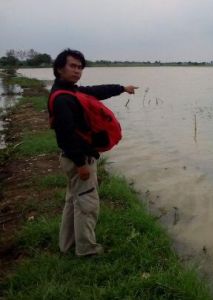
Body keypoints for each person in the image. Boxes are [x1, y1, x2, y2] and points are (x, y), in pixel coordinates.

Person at [49, 49, 138, 256]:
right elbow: (66, 136)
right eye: (72, 66)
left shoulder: (69, 91)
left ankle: (67, 245)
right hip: (77, 159)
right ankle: (87, 249)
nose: (77, 71)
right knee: (87, 205)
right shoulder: (62, 99)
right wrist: (81, 165)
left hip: (73, 158)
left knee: (73, 201)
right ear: (59, 68)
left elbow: (96, 91)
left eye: (80, 67)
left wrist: (122, 88)